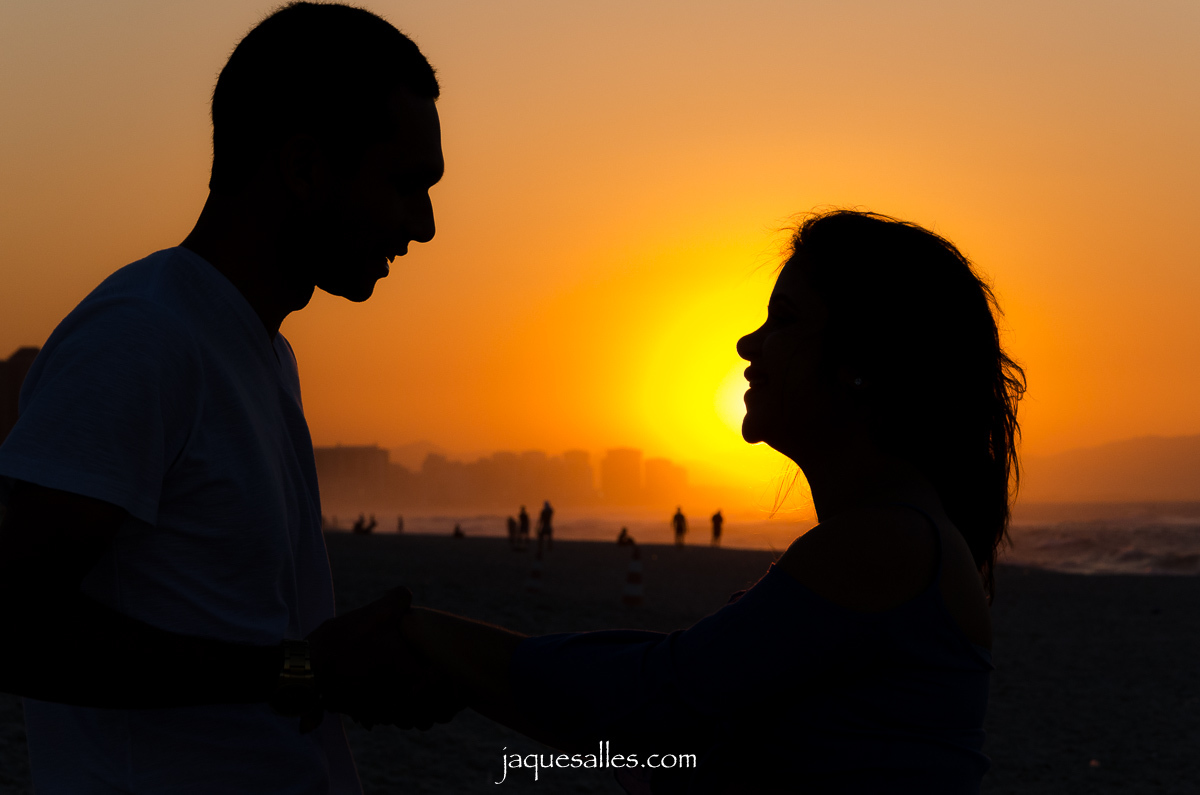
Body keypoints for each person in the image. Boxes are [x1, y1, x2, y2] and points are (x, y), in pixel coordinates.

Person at [335, 209, 1024, 794]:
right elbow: (683, 726)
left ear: (858, 368)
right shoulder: (894, 535)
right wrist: (462, 671)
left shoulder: (887, 542)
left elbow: (659, 697)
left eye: (782, 321)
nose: (746, 344)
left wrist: (427, 638)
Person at [0, 4, 451, 793]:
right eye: (406, 183)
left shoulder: (260, 351)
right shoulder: (143, 337)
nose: (426, 225)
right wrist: (306, 668)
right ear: (306, 166)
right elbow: (15, 623)